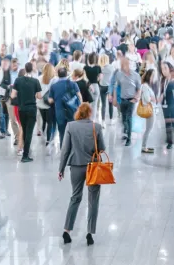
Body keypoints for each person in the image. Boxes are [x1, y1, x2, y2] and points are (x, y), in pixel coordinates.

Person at [59, 103, 105, 246]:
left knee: (75, 197)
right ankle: (89, 233)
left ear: (78, 113)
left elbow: (65, 150)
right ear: (90, 113)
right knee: (93, 199)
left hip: (76, 166)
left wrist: (61, 169)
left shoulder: (70, 126)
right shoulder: (96, 127)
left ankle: (67, 231)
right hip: (93, 167)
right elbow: (102, 148)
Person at [10, 62, 42, 163]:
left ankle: (24, 151)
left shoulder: (18, 80)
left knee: (24, 129)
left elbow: (13, 95)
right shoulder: (35, 81)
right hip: (31, 109)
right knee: (29, 132)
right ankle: (25, 155)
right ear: (32, 69)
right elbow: (39, 96)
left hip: (21, 109)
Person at [48, 68, 83, 146]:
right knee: (73, 132)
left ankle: (63, 151)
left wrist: (57, 99)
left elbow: (50, 100)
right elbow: (79, 97)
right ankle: (73, 150)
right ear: (66, 74)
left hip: (60, 112)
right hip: (72, 111)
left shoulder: (54, 86)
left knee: (62, 132)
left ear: (58, 75)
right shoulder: (73, 84)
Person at [112, 56, 141, 146]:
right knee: (123, 119)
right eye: (122, 64)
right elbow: (116, 87)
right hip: (123, 99)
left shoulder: (135, 75)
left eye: (125, 64)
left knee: (129, 118)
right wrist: (115, 98)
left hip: (131, 100)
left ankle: (129, 138)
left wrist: (136, 98)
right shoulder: (119, 74)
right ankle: (126, 131)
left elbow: (139, 88)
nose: (123, 66)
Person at [0, 57, 20, 142]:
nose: (5, 65)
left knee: (7, 114)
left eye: (6, 64)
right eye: (3, 63)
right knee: (1, 114)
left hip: (8, 96)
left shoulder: (11, 74)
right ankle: (2, 131)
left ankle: (6, 130)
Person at [37, 63, 57, 153]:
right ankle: (48, 140)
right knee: (50, 123)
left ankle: (43, 135)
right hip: (50, 104)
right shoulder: (54, 79)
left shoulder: (39, 78)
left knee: (44, 121)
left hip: (40, 103)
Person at [139, 69, 157, 154]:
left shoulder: (146, 86)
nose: (153, 77)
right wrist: (152, 99)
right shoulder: (145, 86)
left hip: (151, 108)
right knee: (148, 129)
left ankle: (144, 146)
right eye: (152, 75)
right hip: (149, 110)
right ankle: (144, 146)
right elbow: (147, 98)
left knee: (148, 128)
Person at [84, 53, 102, 121]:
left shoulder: (85, 68)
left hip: (88, 87)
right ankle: (93, 120)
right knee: (94, 105)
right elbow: (100, 77)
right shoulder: (98, 67)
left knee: (87, 104)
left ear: (88, 59)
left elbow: (84, 78)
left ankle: (87, 119)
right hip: (96, 86)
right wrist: (96, 79)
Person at [98, 55, 114, 128]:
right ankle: (111, 120)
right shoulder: (111, 67)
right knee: (110, 103)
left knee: (103, 104)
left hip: (102, 86)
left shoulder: (100, 68)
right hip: (110, 87)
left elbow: (99, 78)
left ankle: (103, 122)